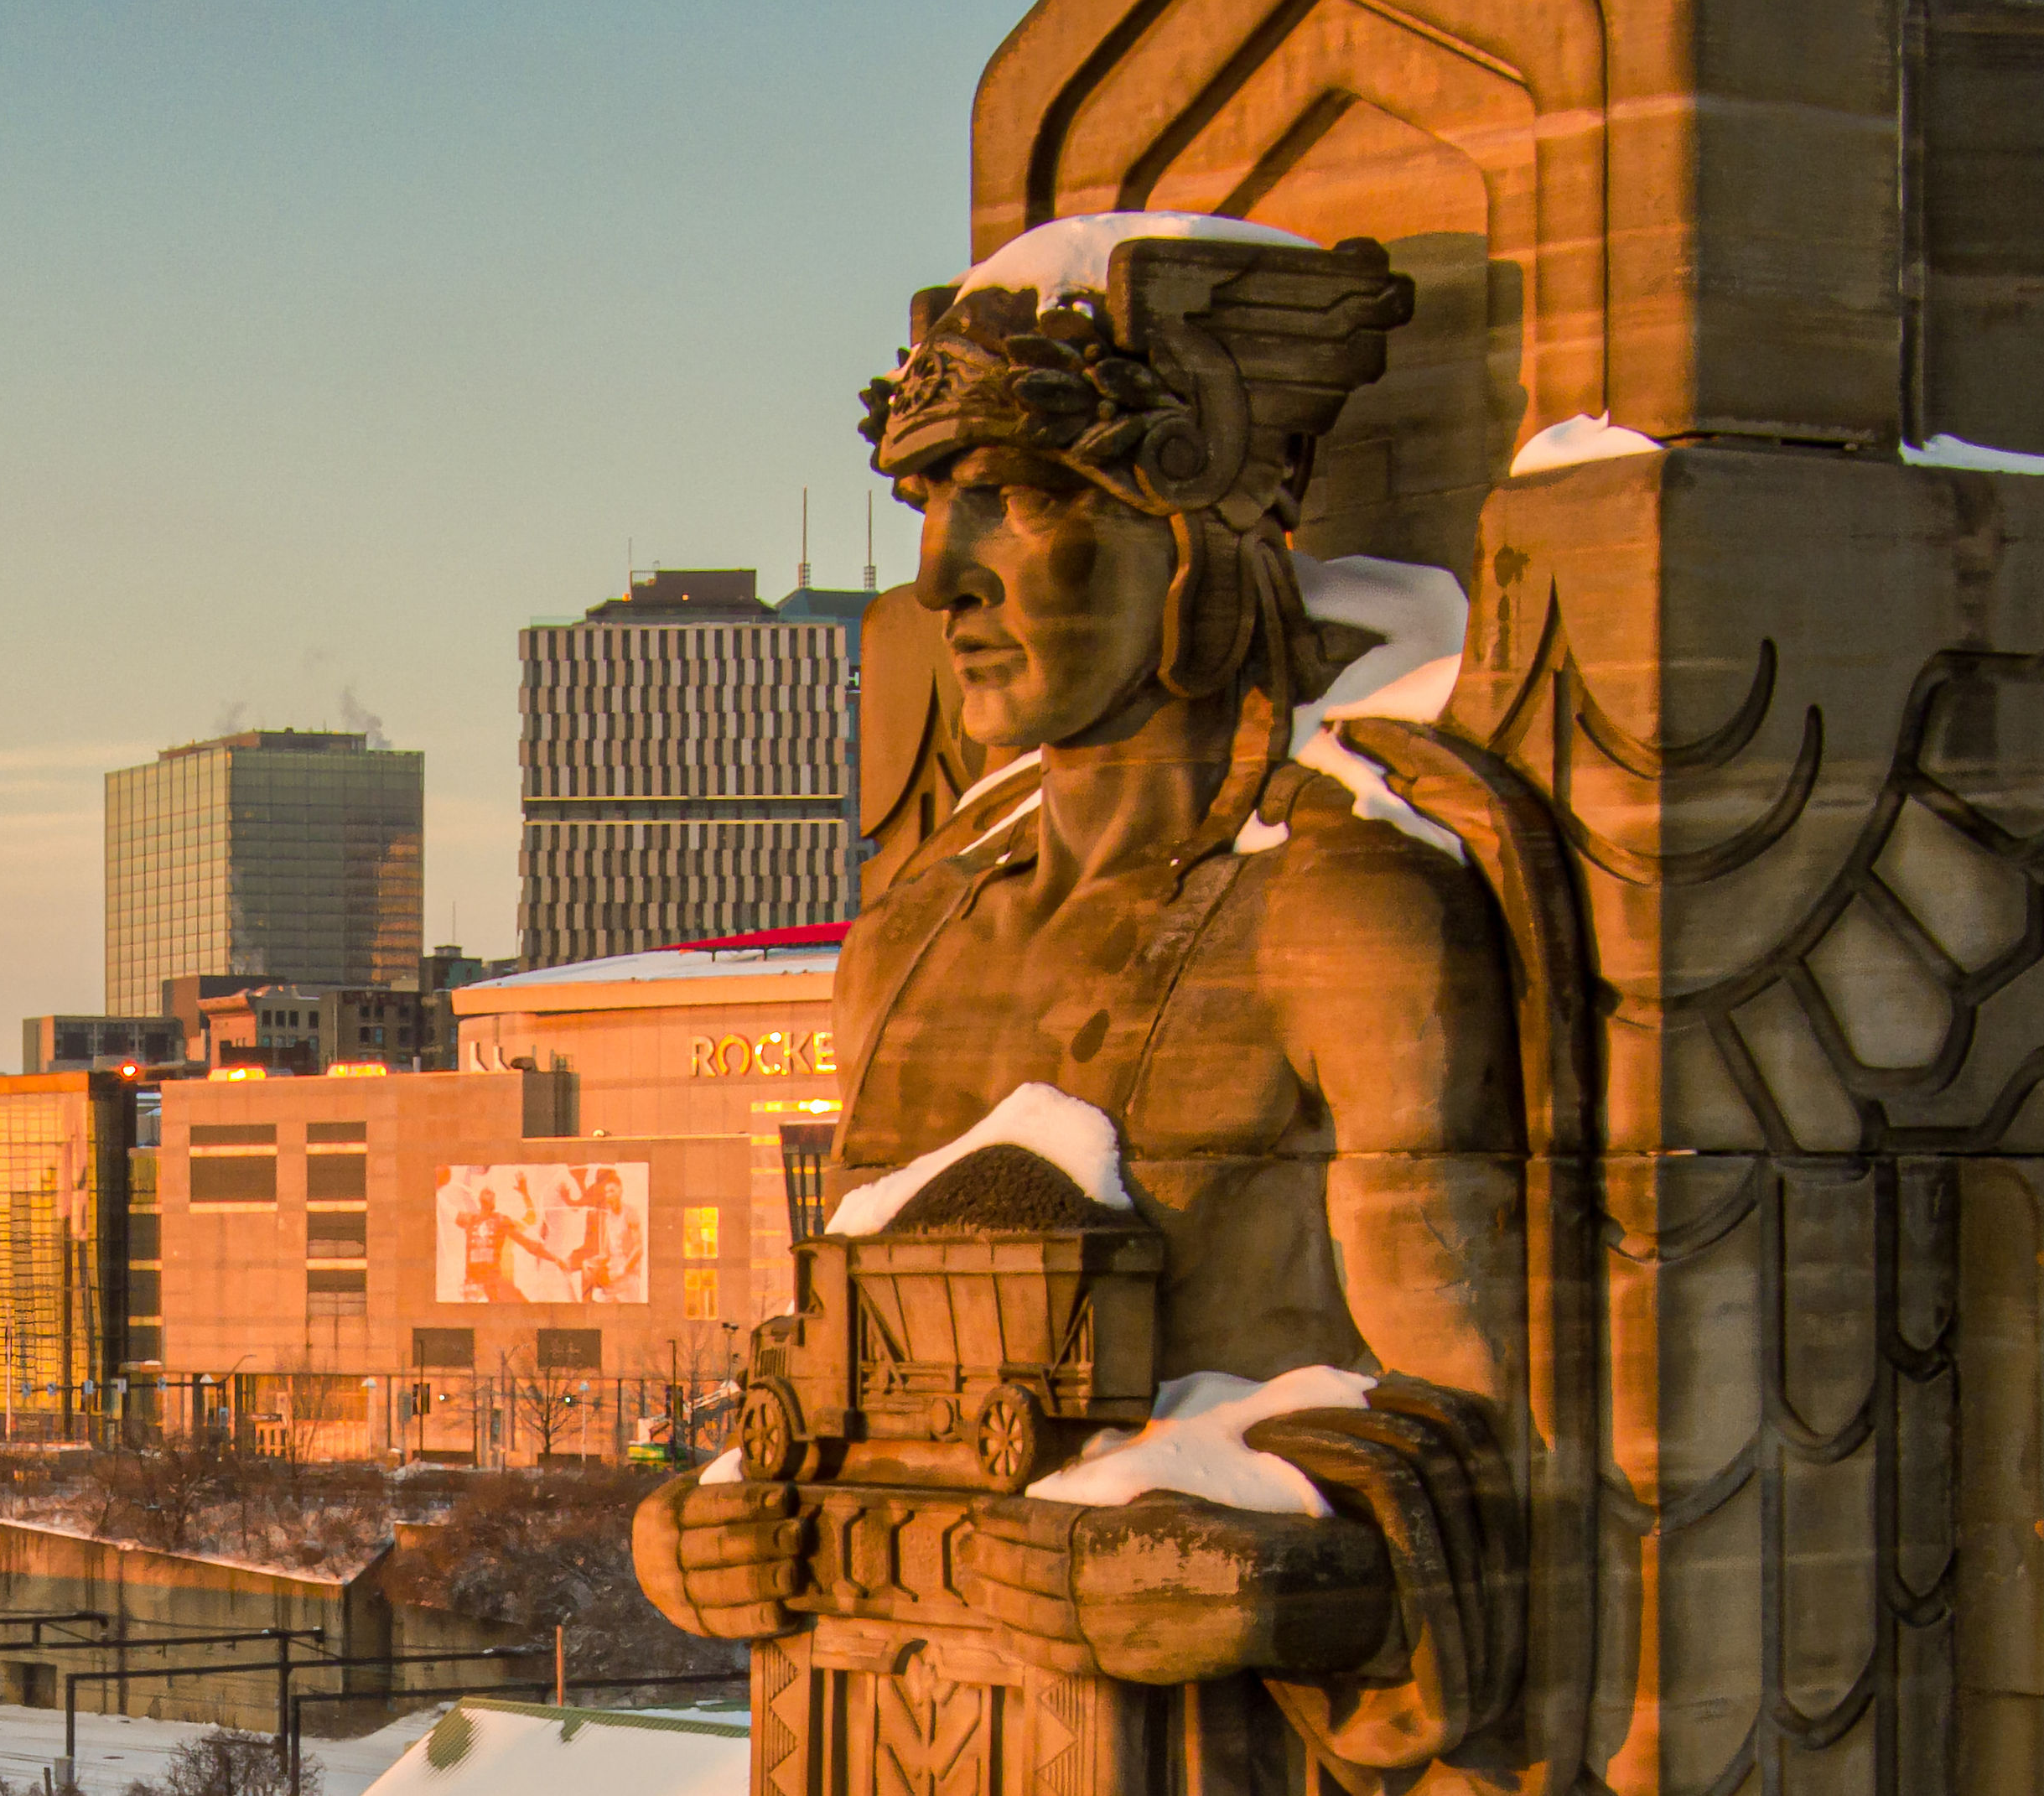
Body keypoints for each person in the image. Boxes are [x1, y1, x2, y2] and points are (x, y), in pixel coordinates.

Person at [631, 213, 1536, 1795]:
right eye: (930, 505)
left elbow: (1492, 1476)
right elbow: (836, 1378)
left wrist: (1246, 1572)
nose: (944, 579)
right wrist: (708, 1531)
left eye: (1029, 496)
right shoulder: (912, 937)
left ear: (1193, 529)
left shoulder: (1339, 917)